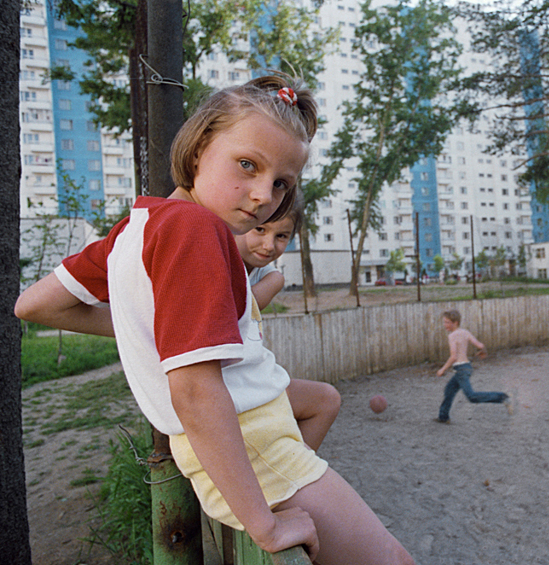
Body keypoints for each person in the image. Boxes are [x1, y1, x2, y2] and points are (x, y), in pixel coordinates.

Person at [15, 75, 413, 565]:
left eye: (281, 183)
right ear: (200, 146)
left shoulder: (136, 226)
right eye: (247, 164)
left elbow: (34, 305)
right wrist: (264, 524)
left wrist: (152, 331)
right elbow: (196, 391)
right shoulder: (198, 229)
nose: (263, 195)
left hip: (242, 442)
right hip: (253, 441)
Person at [236, 201, 341, 452]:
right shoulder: (222, 262)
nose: (269, 245)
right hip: (231, 387)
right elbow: (238, 311)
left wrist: (276, 278)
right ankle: (294, 469)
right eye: (260, 229)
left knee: (327, 400)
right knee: (324, 400)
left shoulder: (263, 272)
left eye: (281, 236)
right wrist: (276, 279)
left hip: (249, 380)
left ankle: (297, 467)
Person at [435, 309, 512, 423]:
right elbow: (481, 345)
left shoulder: (452, 336)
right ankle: (443, 417)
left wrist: (442, 369)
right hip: (466, 367)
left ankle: (503, 397)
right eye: (444, 322)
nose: (444, 324)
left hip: (461, 369)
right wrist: (483, 351)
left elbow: (453, 357)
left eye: (447, 322)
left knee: (471, 397)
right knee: (449, 390)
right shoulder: (465, 332)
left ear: (455, 322)